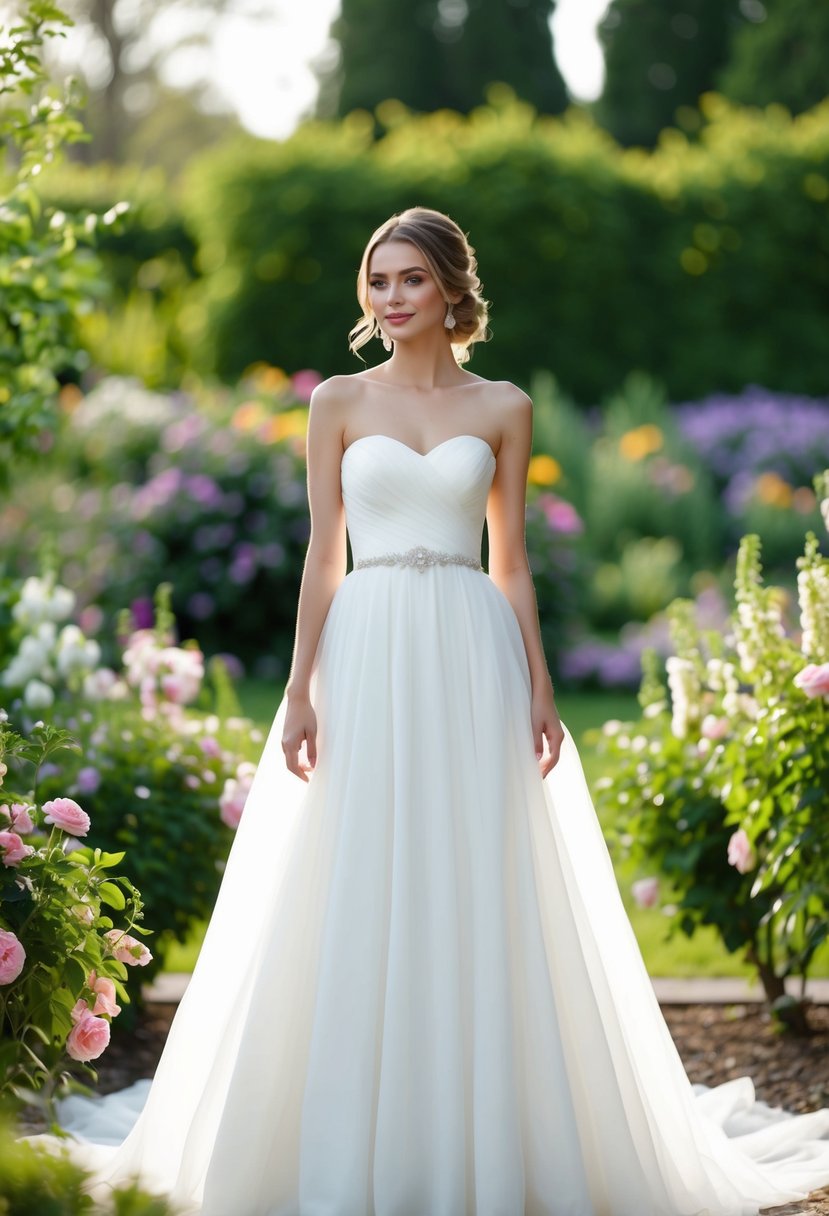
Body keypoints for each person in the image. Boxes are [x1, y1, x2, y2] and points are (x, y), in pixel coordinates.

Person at [36, 207, 829, 1214]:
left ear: (452, 290)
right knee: (355, 866)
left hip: (469, 649)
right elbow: (325, 557)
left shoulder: (502, 405)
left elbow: (513, 561)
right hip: (365, 648)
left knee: (472, 871)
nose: (391, 297)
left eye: (411, 279)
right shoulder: (335, 402)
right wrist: (298, 690)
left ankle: (482, 1129)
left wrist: (540, 685)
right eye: (378, 280)